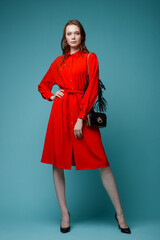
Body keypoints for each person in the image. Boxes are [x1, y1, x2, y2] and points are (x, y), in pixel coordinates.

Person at [38, 19, 131, 234]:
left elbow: (92, 91)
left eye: (76, 33)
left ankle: (120, 213)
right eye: (69, 33)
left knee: (102, 163)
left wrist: (81, 117)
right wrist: (52, 96)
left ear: (82, 36)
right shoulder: (58, 62)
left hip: (81, 112)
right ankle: (64, 213)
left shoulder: (90, 58)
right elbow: (43, 85)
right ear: (64, 38)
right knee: (57, 163)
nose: (72, 37)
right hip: (60, 114)